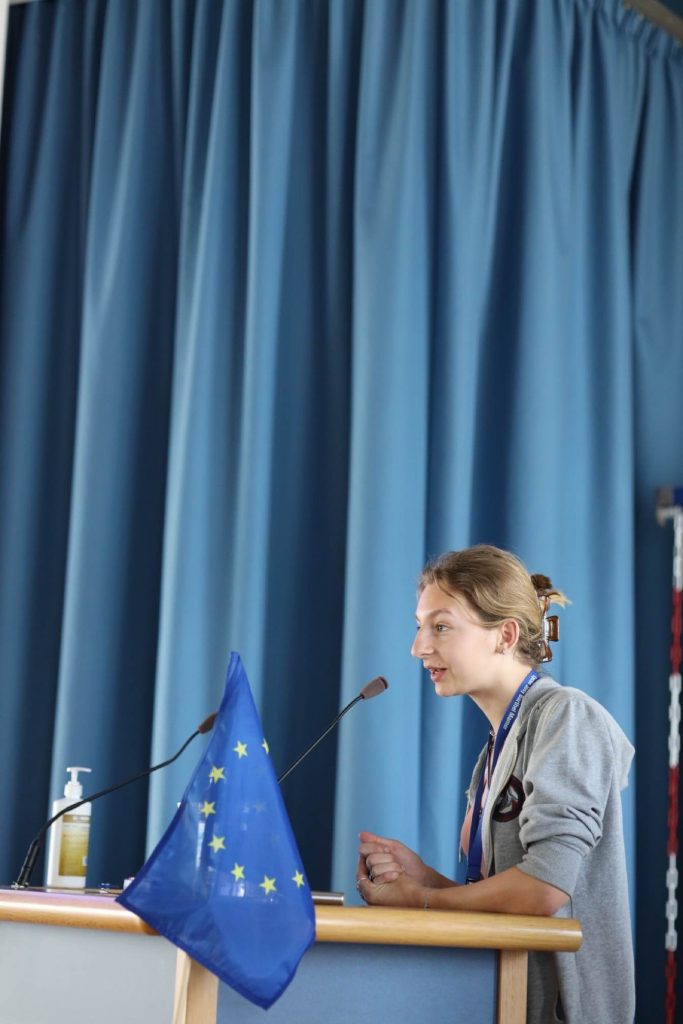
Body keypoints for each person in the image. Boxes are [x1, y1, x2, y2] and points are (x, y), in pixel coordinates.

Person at [356, 545, 635, 1024]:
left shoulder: (567, 716)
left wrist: (421, 900)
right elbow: (505, 903)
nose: (418, 647)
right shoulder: (495, 749)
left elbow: (544, 888)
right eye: (419, 626)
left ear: (505, 635)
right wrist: (425, 878)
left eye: (441, 627)